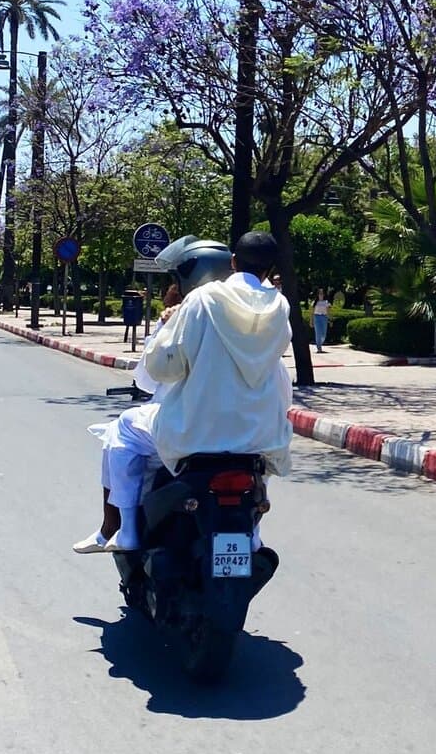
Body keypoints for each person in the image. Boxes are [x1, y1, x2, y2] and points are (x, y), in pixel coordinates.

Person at [73, 231, 293, 554]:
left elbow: (160, 369)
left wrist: (167, 327)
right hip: (257, 434)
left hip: (197, 433)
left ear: (234, 262)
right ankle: (253, 534)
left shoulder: (203, 300)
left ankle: (126, 531)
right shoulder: (279, 307)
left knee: (123, 428)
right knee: (259, 461)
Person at [311, 288, 330, 352]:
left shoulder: (326, 302)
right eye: (319, 293)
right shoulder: (315, 302)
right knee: (318, 333)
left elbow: (328, 312)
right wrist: (311, 321)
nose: (321, 295)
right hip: (317, 317)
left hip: (324, 317)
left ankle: (320, 343)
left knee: (323, 334)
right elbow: (312, 312)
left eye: (322, 293)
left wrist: (329, 320)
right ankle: (319, 347)